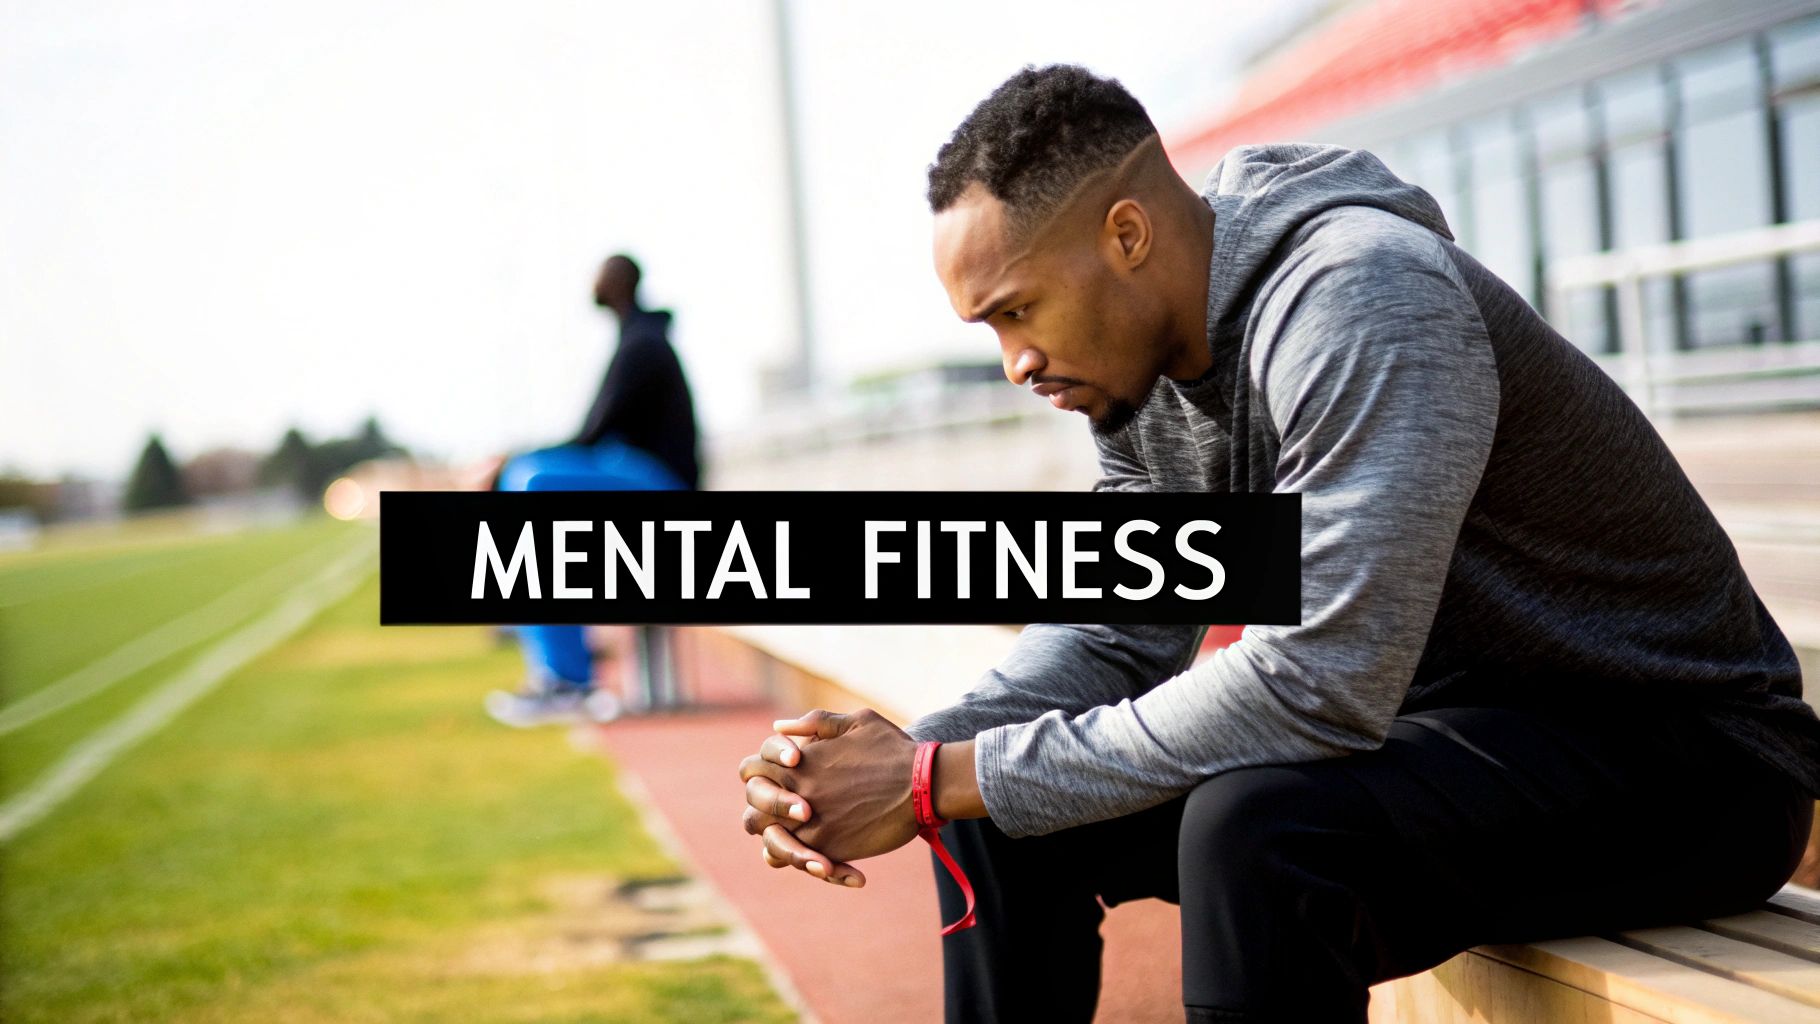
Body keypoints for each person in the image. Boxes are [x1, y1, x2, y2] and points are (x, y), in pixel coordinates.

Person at [735, 65, 1820, 1022]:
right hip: (1449, 739)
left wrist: (933, 774)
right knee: (994, 813)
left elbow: (1319, 678)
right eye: (990, 331)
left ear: (1125, 235)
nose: (1014, 361)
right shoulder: (1134, 378)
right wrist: (885, 763)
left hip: (1682, 756)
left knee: (1253, 827)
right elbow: (1117, 630)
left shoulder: (1361, 293)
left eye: (1018, 311)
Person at [484, 253, 700, 728]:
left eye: (601, 274)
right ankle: (551, 650)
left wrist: (513, 459)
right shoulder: (635, 338)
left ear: (622, 282)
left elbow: (591, 434)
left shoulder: (643, 344)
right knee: (524, 477)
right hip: (638, 479)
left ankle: (567, 678)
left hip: (665, 490)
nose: (593, 283)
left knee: (533, 483)